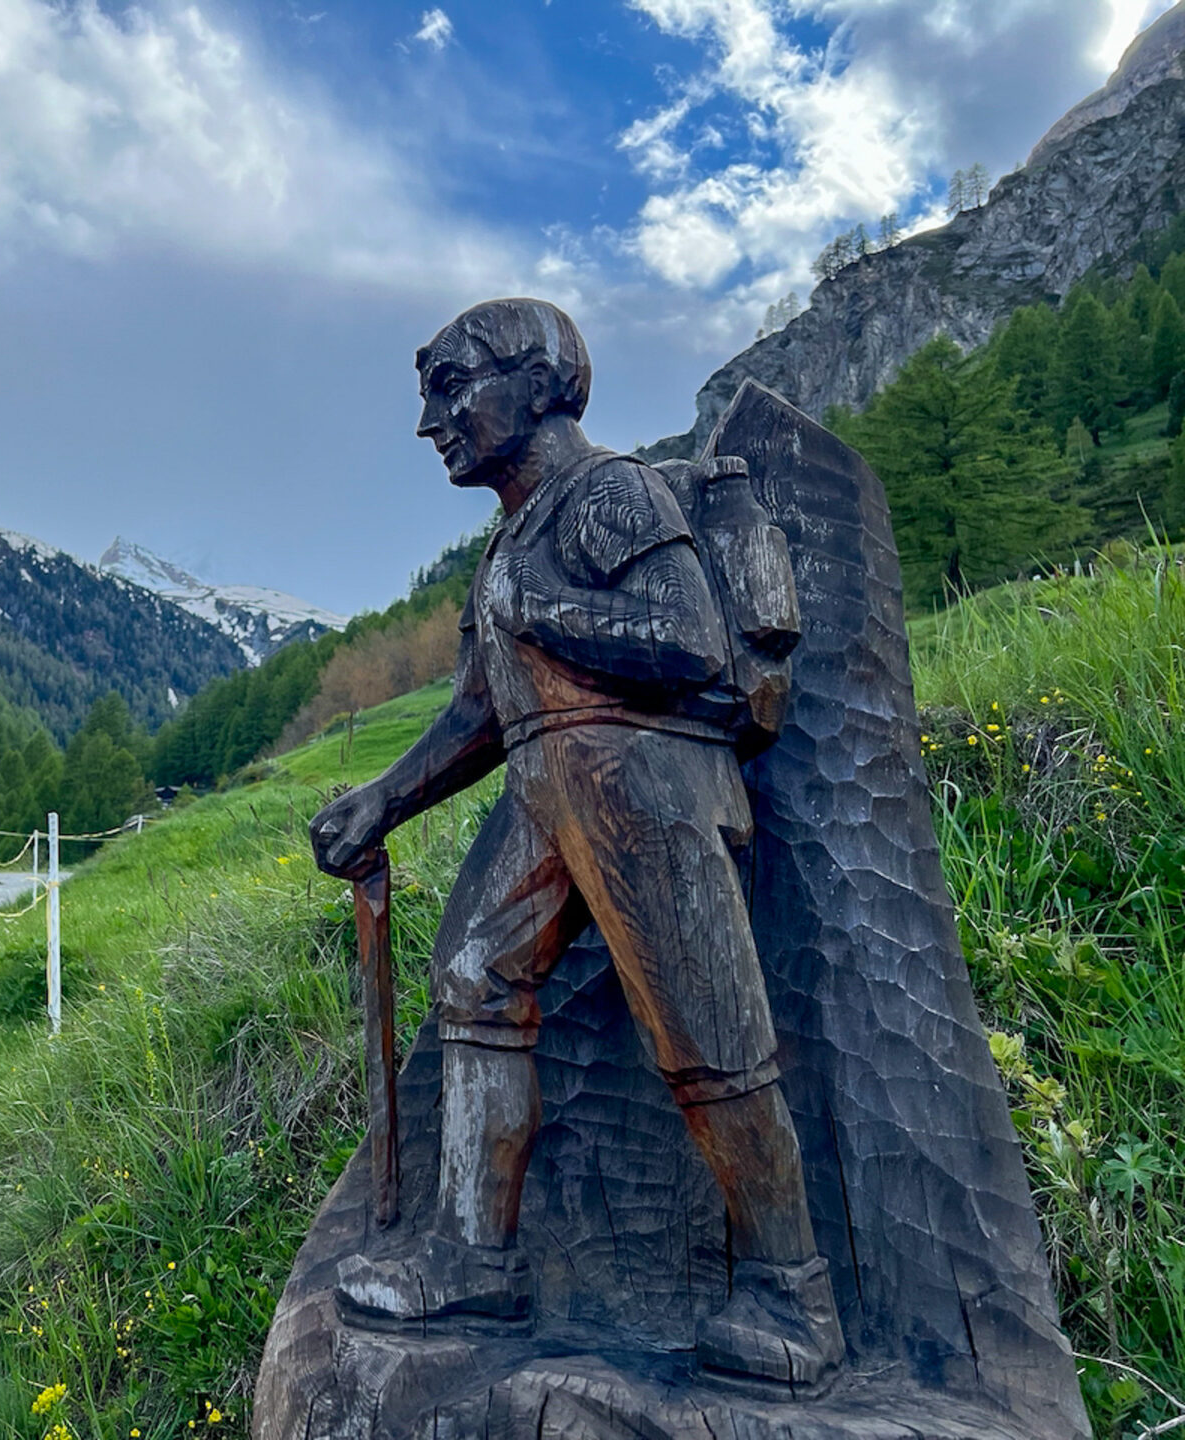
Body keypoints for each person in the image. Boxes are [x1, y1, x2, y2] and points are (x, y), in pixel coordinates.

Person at [309, 298, 845, 1393]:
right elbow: (477, 712)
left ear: (542, 380)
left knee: (708, 1033)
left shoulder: (609, 494)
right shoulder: (506, 539)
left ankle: (795, 1296)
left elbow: (688, 638)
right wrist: (383, 801)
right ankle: (475, 1254)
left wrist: (542, 610)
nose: (432, 422)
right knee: (472, 979)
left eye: (453, 387)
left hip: (644, 781)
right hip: (549, 785)